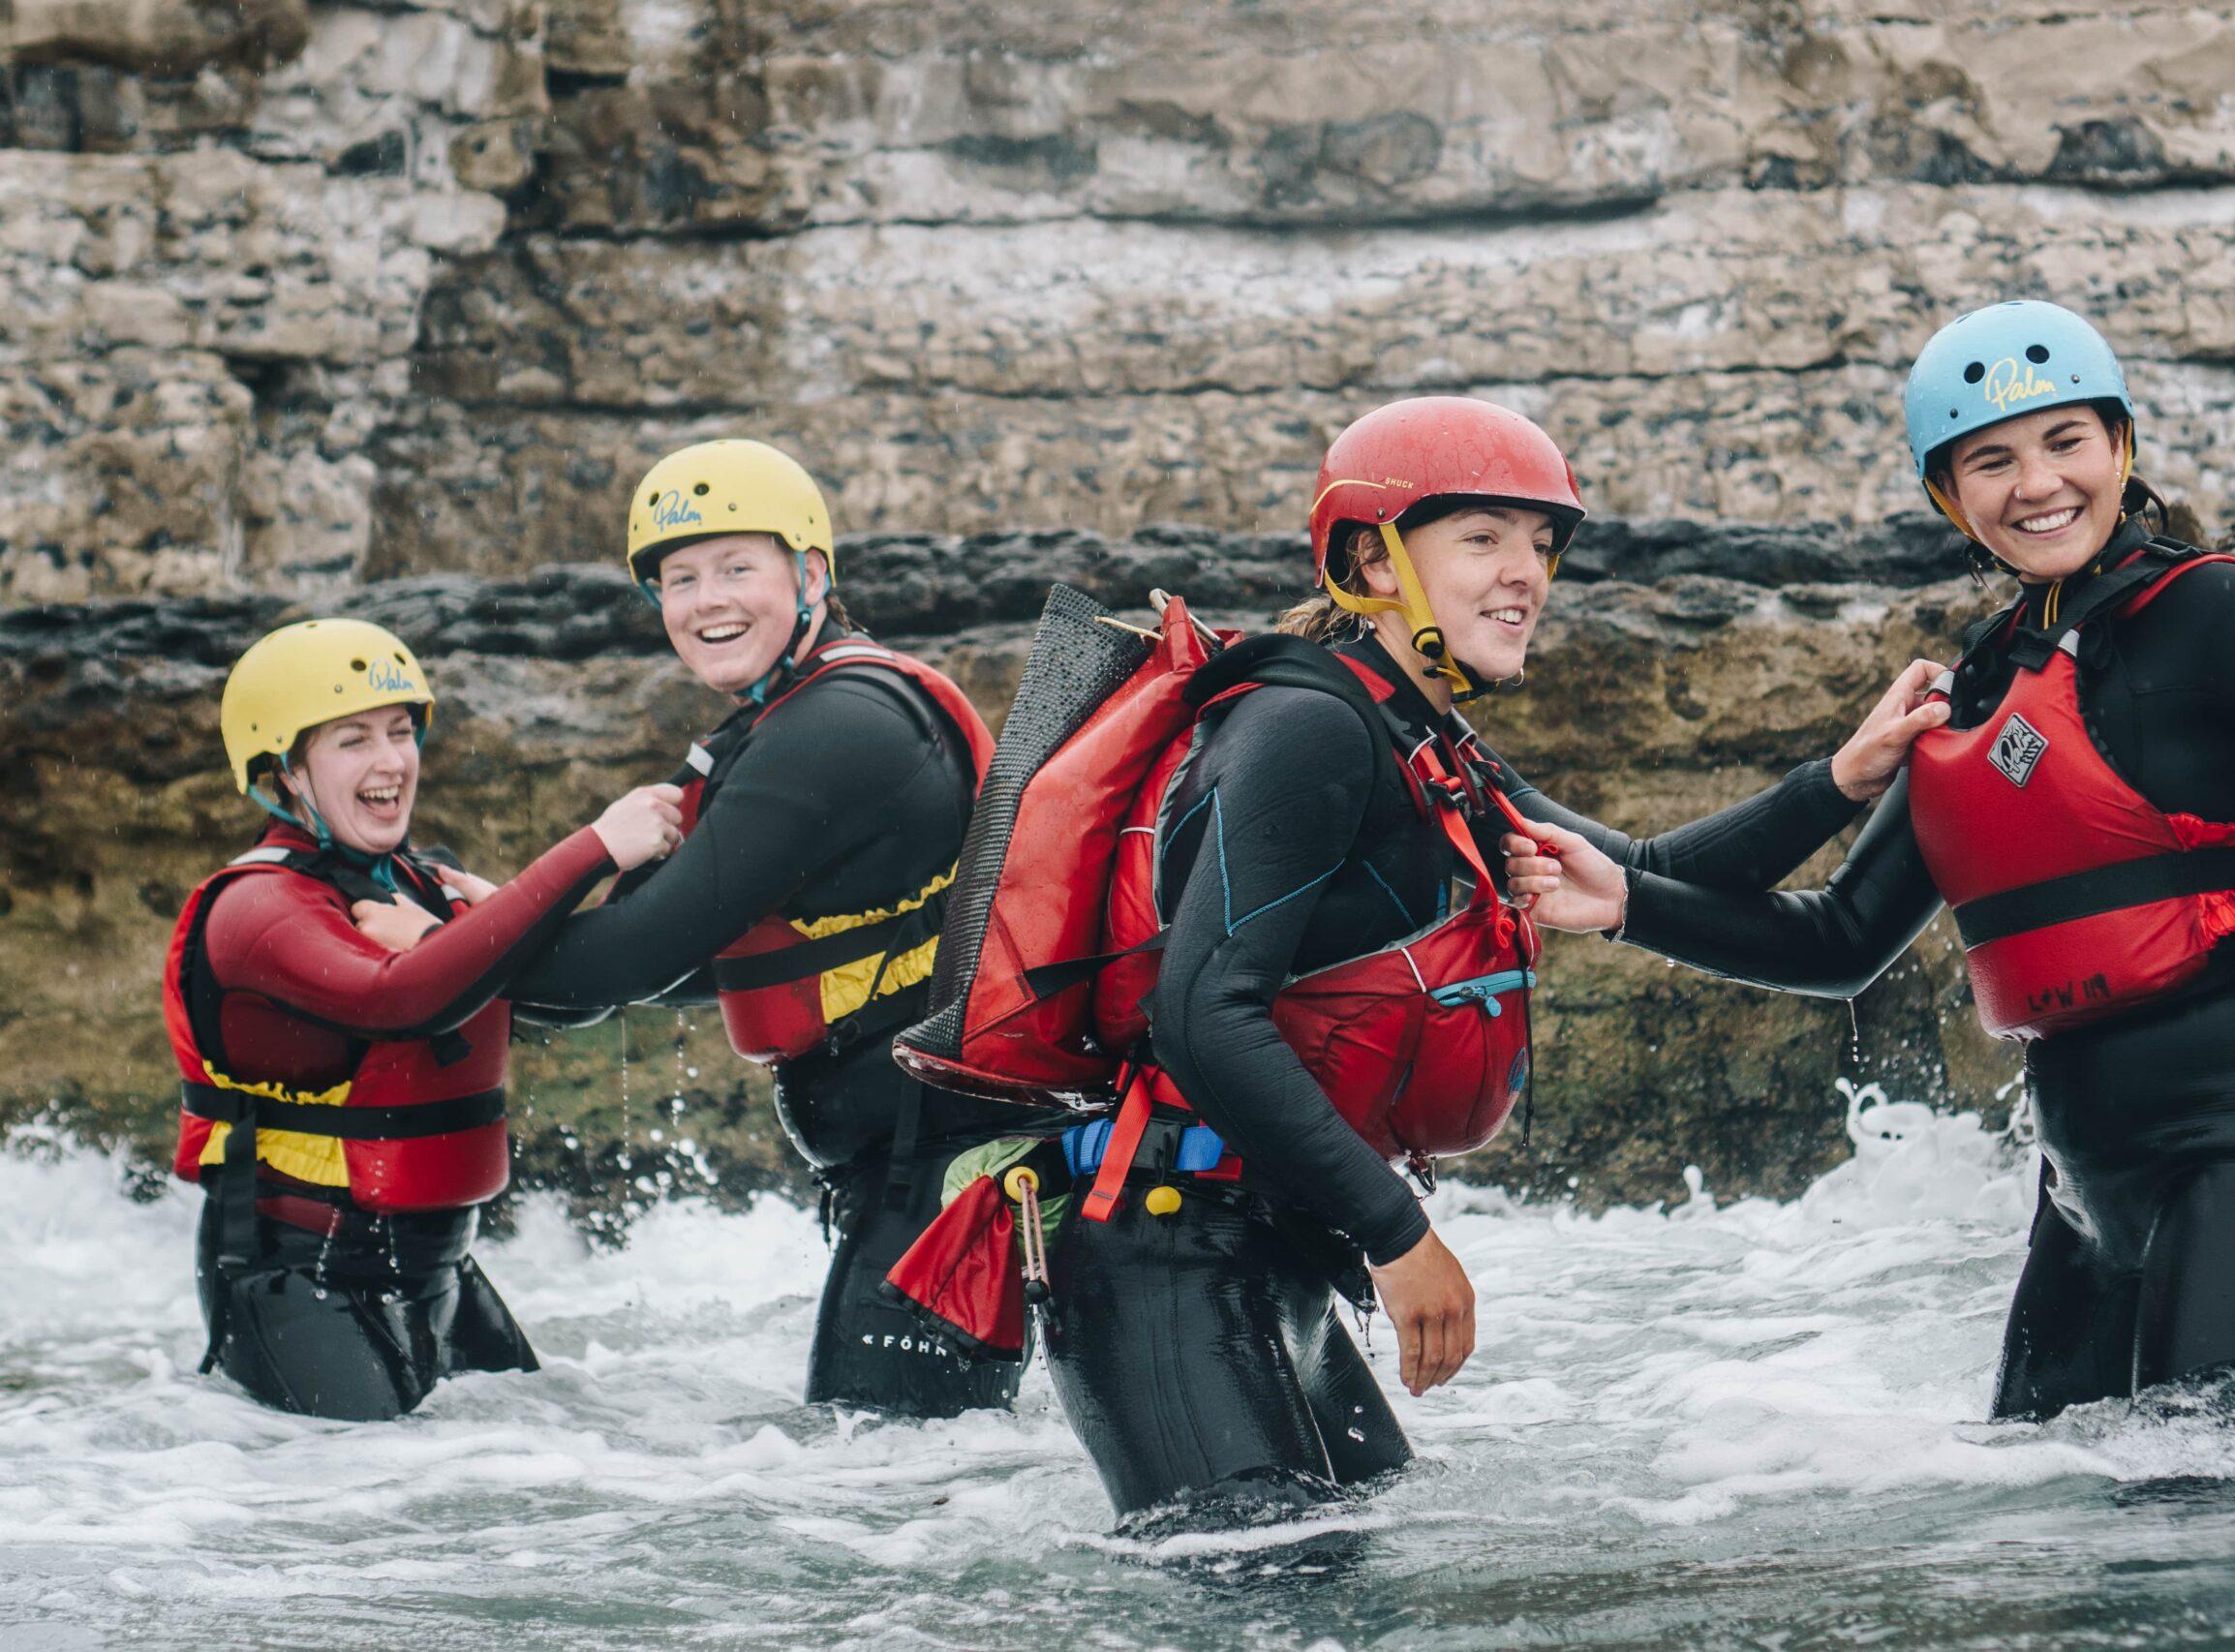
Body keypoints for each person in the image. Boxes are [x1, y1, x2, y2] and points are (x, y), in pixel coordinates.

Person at [1520, 298, 2235, 1420]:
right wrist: (1626, 904)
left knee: (2217, 1518)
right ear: (1947, 495)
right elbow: (1840, 939)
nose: (2037, 484)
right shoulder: (1979, 685)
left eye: (2066, 441)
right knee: (2058, 1523)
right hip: (2083, 1181)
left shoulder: (2219, 616)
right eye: (1992, 459)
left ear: (2120, 446)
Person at [1027, 396, 1944, 1524]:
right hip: (1169, 1256)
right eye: (1482, 538)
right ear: (1371, 559)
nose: (1527, 574)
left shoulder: (1427, 738)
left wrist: (1841, 779)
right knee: (1269, 1600)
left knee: (1351, 1585)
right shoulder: (1305, 729)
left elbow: (1642, 870)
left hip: (1273, 1246)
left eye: (1541, 544)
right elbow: (1204, 1011)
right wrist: (1400, 1235)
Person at [492, 439, 1025, 1419]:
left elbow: (627, 958)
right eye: (680, 579)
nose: (706, 601)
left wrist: (450, 947)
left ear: (811, 574)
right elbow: (718, 960)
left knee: (881, 1500)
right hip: (935, 1171)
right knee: (898, 1493)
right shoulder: (806, 713)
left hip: (942, 1182)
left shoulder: (833, 731)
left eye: (738, 568)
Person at [167, 618, 682, 1420]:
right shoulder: (256, 908)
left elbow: (574, 1003)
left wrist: (630, 883)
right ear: (284, 771)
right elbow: (401, 1000)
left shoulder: (422, 886)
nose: (390, 762)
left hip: (441, 1271)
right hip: (296, 1277)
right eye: (351, 740)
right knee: (374, 1516)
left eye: (401, 733)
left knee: (558, 1481)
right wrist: (593, 848)